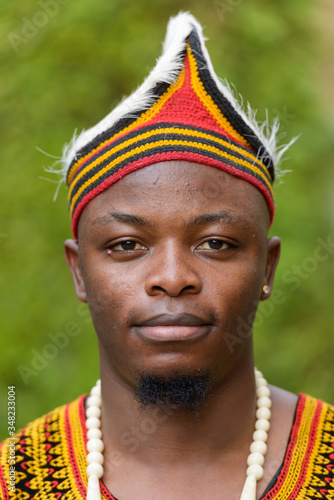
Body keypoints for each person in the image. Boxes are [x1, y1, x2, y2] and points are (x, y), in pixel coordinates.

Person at [1, 12, 333, 500]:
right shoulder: (16, 480)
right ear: (79, 272)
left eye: (216, 243)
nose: (172, 278)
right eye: (126, 246)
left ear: (268, 268)